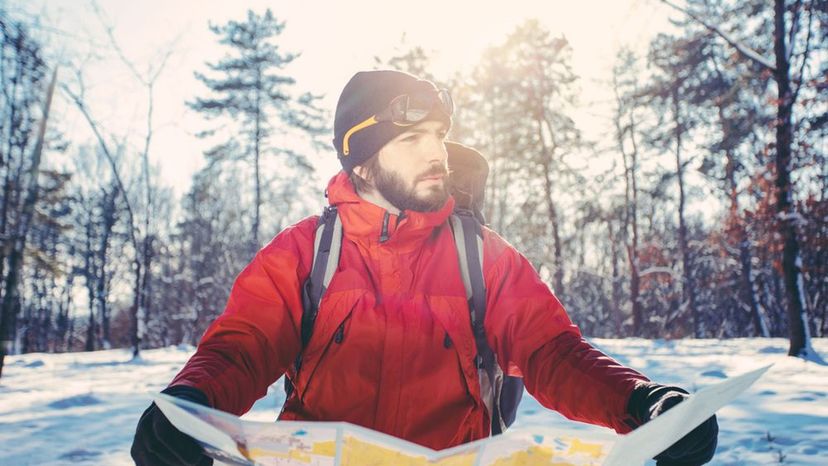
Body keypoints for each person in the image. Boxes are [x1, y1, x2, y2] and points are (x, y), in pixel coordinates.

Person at [131, 70, 718, 466]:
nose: (437, 150)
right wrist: (188, 404)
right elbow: (242, 348)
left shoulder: (484, 257)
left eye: (438, 135)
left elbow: (553, 353)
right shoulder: (305, 253)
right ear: (360, 162)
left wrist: (643, 402)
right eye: (411, 137)